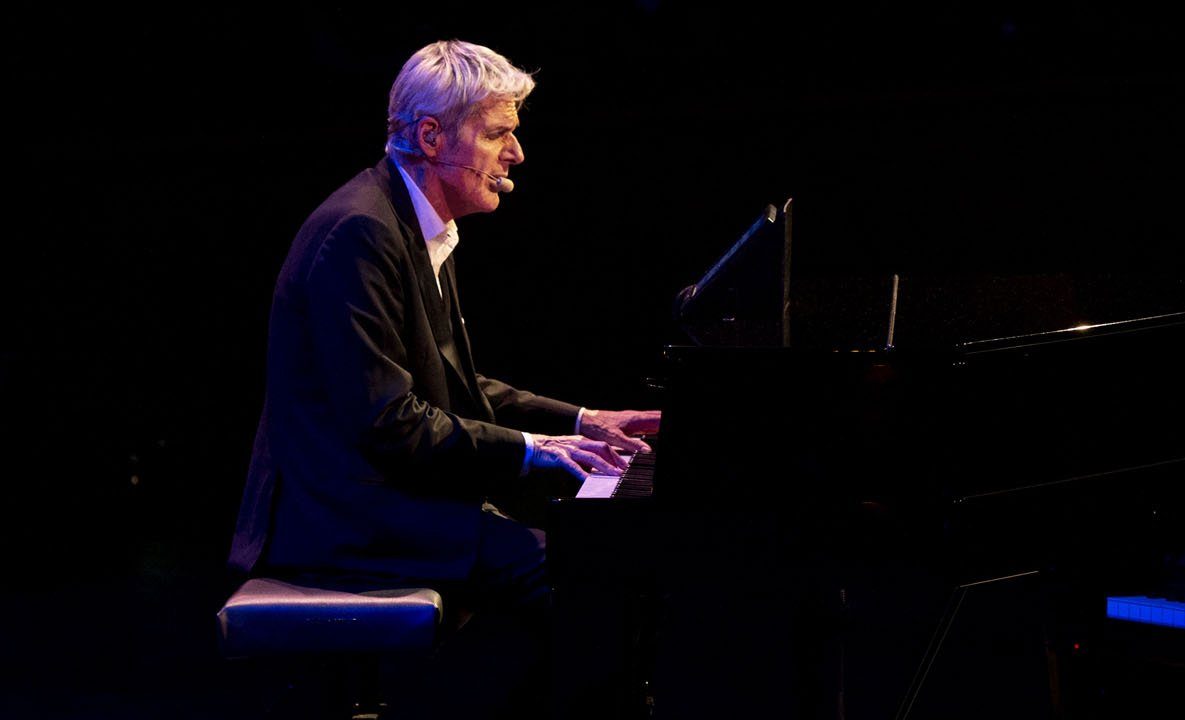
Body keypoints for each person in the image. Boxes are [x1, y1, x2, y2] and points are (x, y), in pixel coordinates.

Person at [227, 39, 659, 716]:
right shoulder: (359, 233)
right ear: (431, 136)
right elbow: (388, 418)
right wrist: (532, 450)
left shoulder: (416, 224)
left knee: (595, 579)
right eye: (497, 135)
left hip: (385, 502)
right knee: (585, 580)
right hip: (341, 519)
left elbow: (456, 383)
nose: (514, 156)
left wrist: (580, 421)